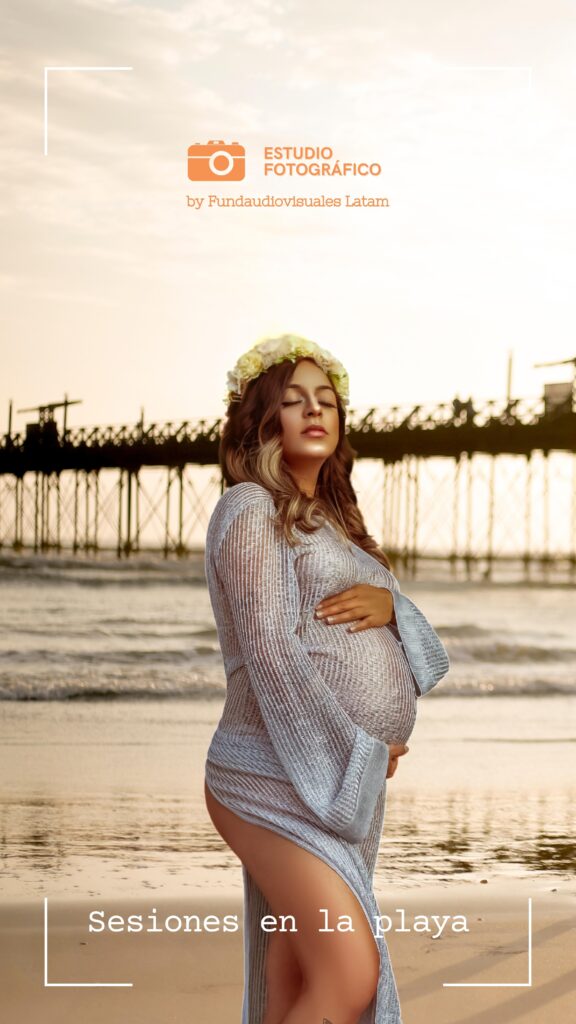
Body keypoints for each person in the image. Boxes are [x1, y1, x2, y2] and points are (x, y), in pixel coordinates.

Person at [203, 334, 450, 1024]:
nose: (315, 410)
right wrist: (354, 752)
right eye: (292, 400)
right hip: (274, 780)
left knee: (296, 979)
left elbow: (426, 663)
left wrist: (395, 608)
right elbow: (270, 650)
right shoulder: (248, 508)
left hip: (336, 786)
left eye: (327, 400)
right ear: (262, 418)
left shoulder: (340, 527)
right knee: (348, 976)